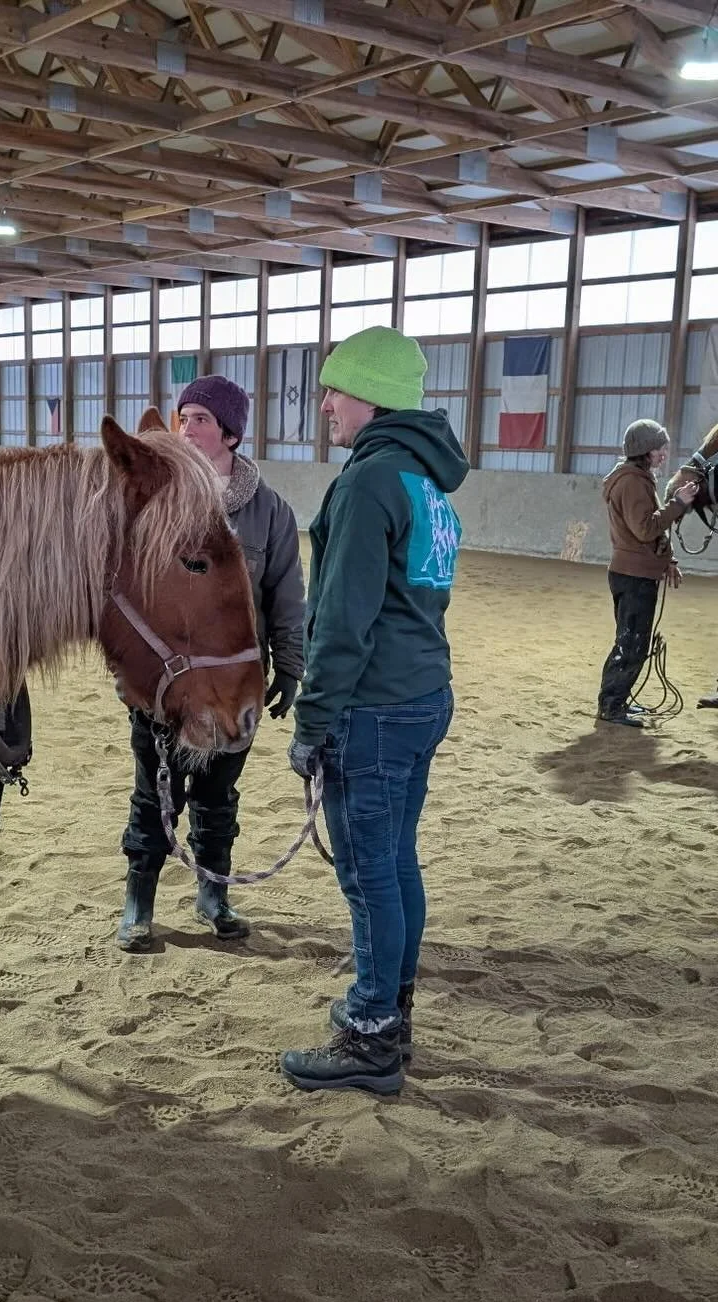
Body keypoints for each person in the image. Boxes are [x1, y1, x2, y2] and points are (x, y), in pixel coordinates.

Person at [281, 326, 466, 1095]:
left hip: (376, 706)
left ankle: (369, 1033)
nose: (325, 403)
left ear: (374, 397)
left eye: (336, 389)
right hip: (423, 695)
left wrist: (311, 721)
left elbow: (341, 623)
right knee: (396, 863)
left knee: (368, 876)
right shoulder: (423, 481)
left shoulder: (367, 483)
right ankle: (391, 1008)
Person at [116, 374, 305, 951]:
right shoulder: (158, 500)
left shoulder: (270, 512)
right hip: (169, 684)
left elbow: (286, 593)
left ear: (229, 433)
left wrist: (290, 665)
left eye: (199, 418)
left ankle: (213, 892)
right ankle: (138, 902)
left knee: (218, 794)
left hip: (235, 680)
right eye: (182, 417)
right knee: (155, 791)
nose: (186, 427)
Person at [596, 420, 699, 727]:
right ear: (645, 451)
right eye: (659, 448)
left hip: (634, 571)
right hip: (634, 576)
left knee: (633, 642)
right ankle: (612, 706)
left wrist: (667, 559)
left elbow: (647, 530)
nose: (663, 454)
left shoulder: (636, 479)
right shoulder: (633, 483)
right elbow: (645, 529)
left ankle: (617, 701)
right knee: (631, 644)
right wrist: (677, 504)